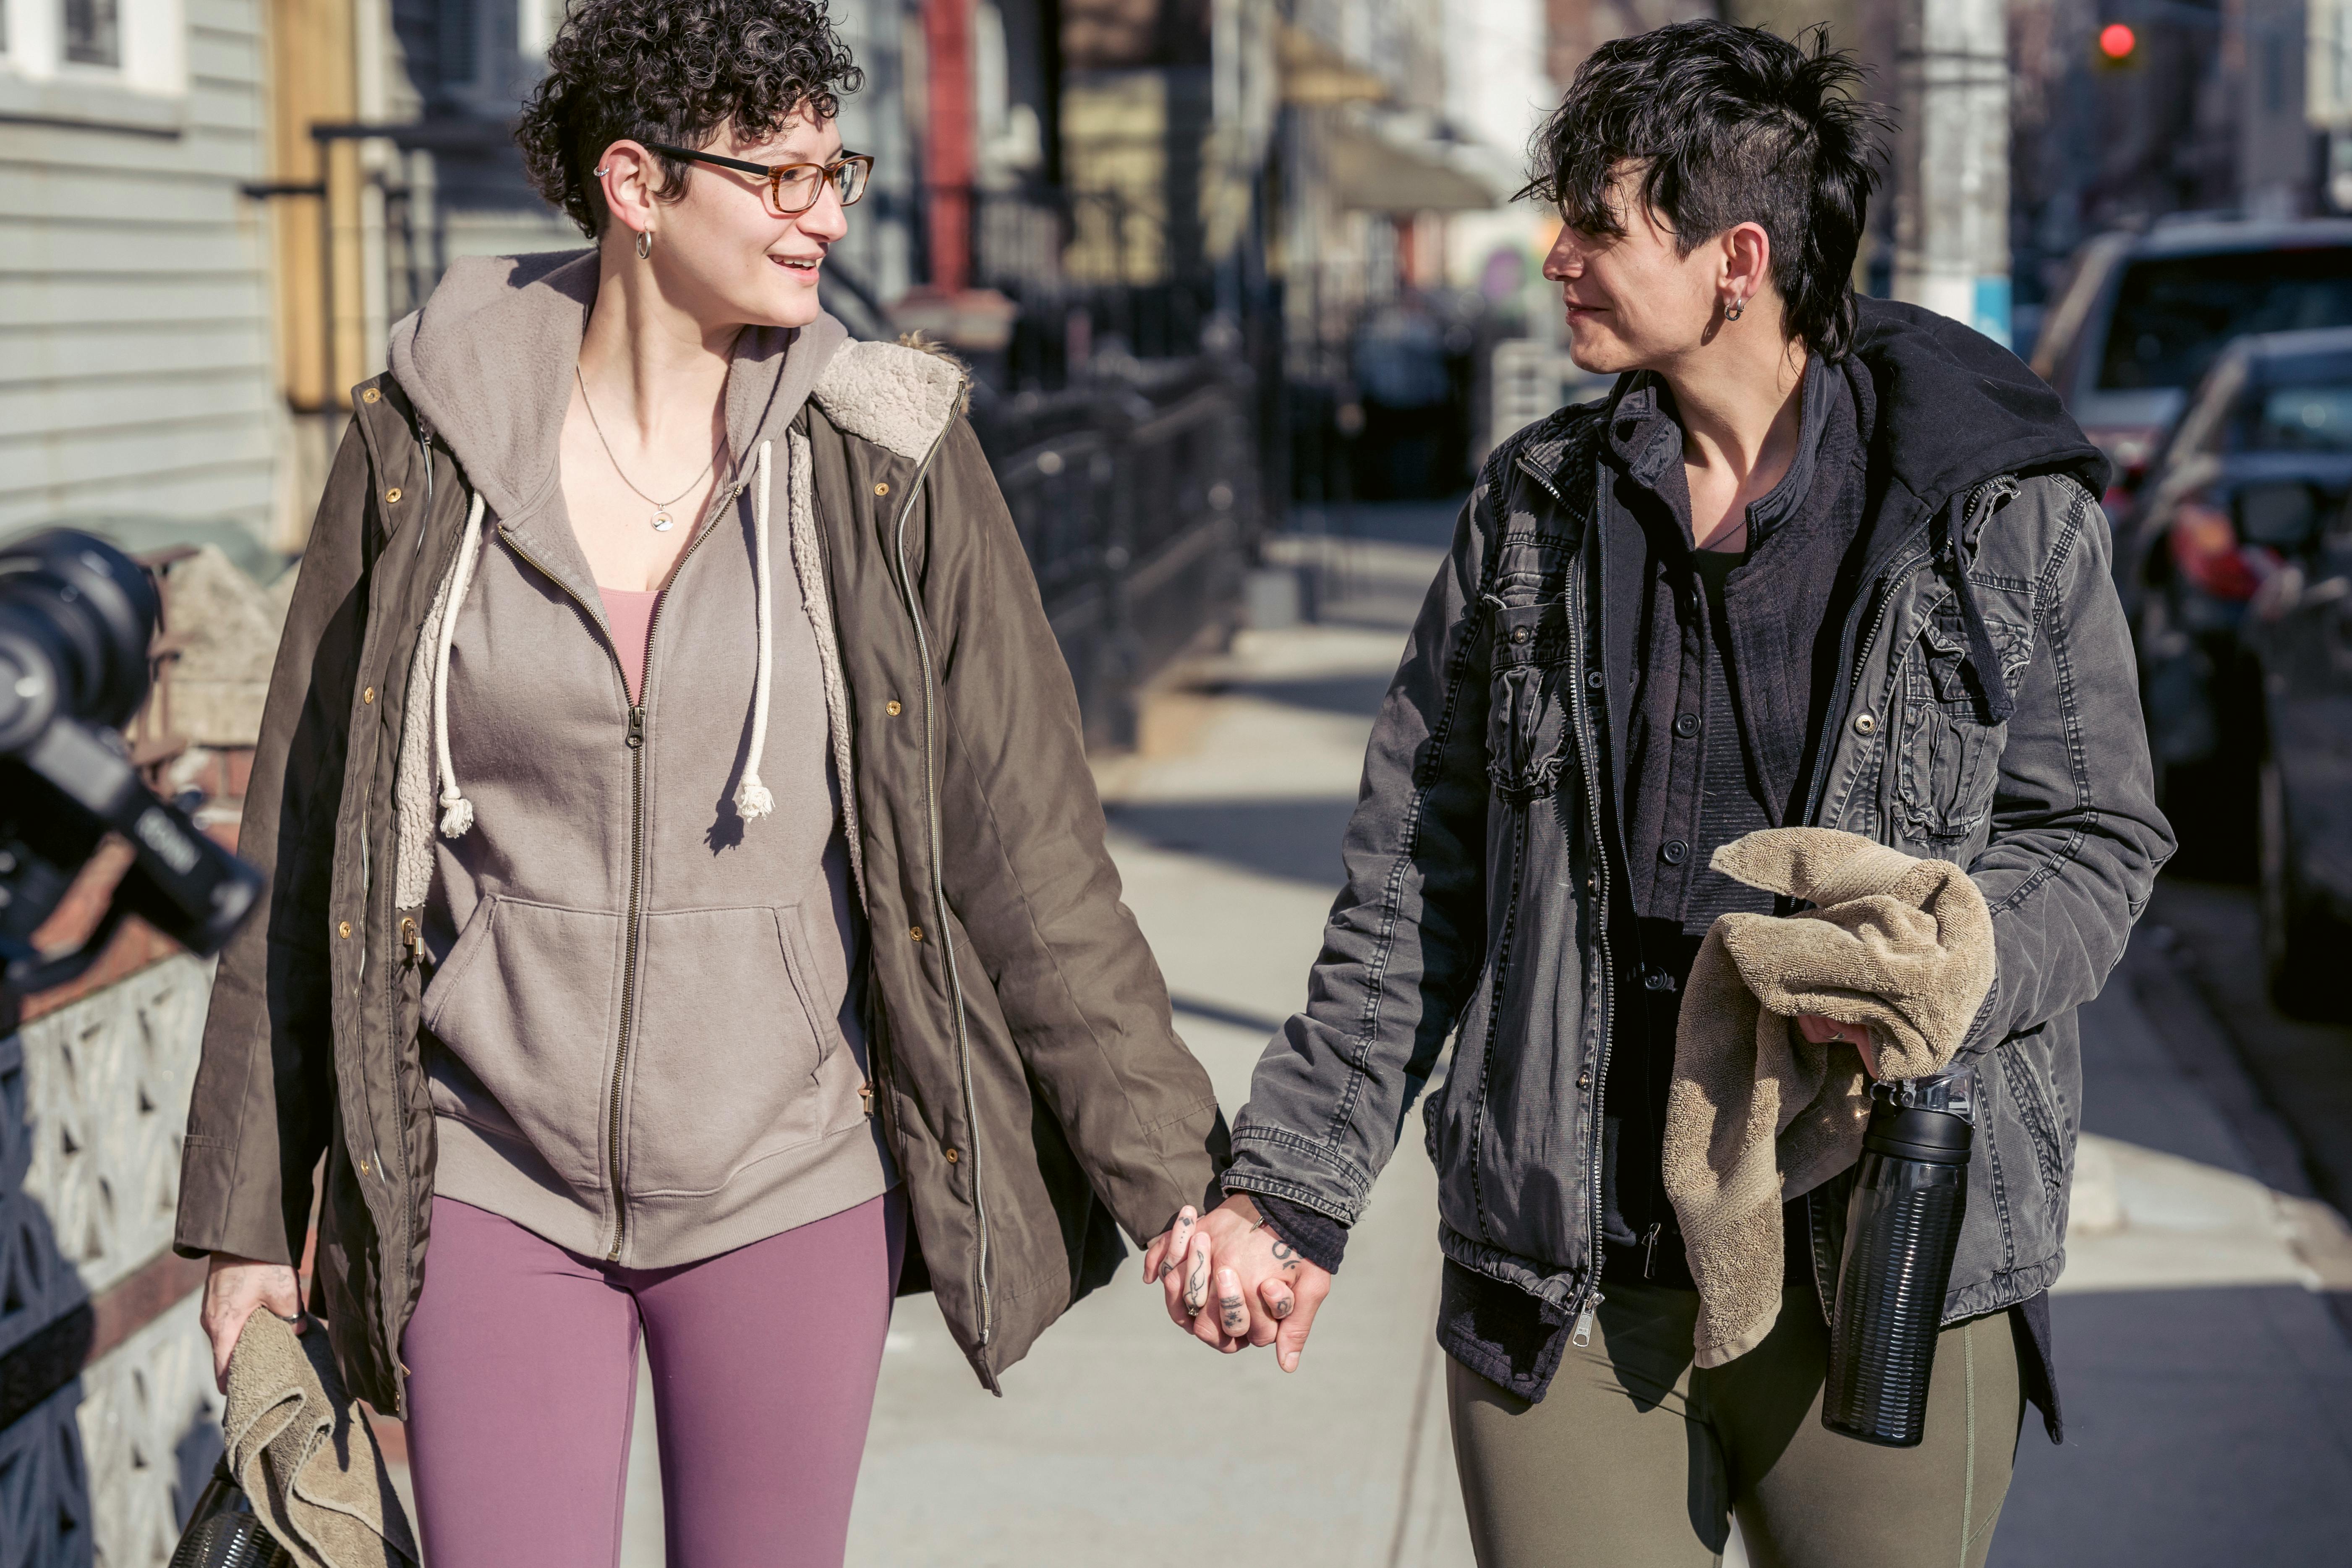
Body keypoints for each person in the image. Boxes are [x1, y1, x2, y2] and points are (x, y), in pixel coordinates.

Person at [175, 0, 1226, 1561]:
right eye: (777, 175)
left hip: (785, 1176)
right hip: (488, 1172)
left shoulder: (885, 454)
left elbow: (1026, 849)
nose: (825, 213)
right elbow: (306, 830)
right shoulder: (424, 445)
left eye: (836, 169)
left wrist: (1176, 1185)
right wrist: (247, 1216)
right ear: (637, 185)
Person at [1145, 21, 2172, 1568]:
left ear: (1735, 256)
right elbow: (1411, 890)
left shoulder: (1996, 517)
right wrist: (1291, 1190)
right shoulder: (1530, 518)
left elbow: (2095, 837)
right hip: (1568, 1262)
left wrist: (1953, 962)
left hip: (1882, 1252)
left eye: (1599, 224)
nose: (1555, 253)